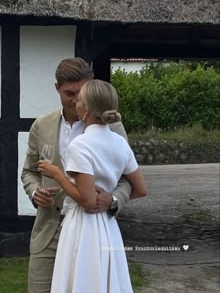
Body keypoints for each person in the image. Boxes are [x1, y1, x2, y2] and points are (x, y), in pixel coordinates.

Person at [21, 58, 132, 293]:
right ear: (57, 88)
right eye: (68, 93)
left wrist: (112, 200)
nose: (75, 100)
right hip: (47, 234)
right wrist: (34, 192)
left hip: (92, 235)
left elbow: (129, 180)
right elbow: (29, 171)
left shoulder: (112, 128)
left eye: (80, 93)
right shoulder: (41, 125)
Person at [38, 79, 147, 293]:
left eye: (80, 100)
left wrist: (57, 174)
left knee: (81, 280)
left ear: (86, 109)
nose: (75, 102)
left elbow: (87, 201)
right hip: (108, 225)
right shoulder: (119, 142)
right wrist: (112, 199)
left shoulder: (80, 145)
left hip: (82, 225)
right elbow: (141, 189)